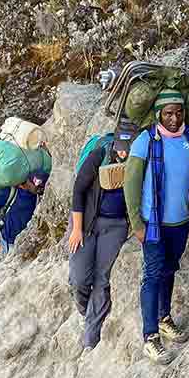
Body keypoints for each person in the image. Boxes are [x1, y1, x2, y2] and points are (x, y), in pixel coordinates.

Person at [123, 91, 189, 365]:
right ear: (159, 113)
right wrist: (137, 222)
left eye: (179, 112)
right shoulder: (145, 141)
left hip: (180, 223)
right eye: (168, 113)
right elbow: (131, 184)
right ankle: (150, 337)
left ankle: (164, 318)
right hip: (153, 224)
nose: (174, 118)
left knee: (169, 270)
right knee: (152, 275)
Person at [68, 124, 132, 350]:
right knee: (79, 278)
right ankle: (85, 312)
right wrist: (76, 229)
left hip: (116, 225)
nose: (123, 154)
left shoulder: (137, 161)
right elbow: (78, 190)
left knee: (102, 279)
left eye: (129, 149)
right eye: (121, 149)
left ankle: (90, 336)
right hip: (86, 221)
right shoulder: (100, 154)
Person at [0, 170, 49, 256]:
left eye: (42, 187)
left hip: (24, 240)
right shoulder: (11, 192)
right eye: (38, 186)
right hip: (8, 239)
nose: (40, 190)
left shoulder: (37, 196)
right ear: (28, 181)